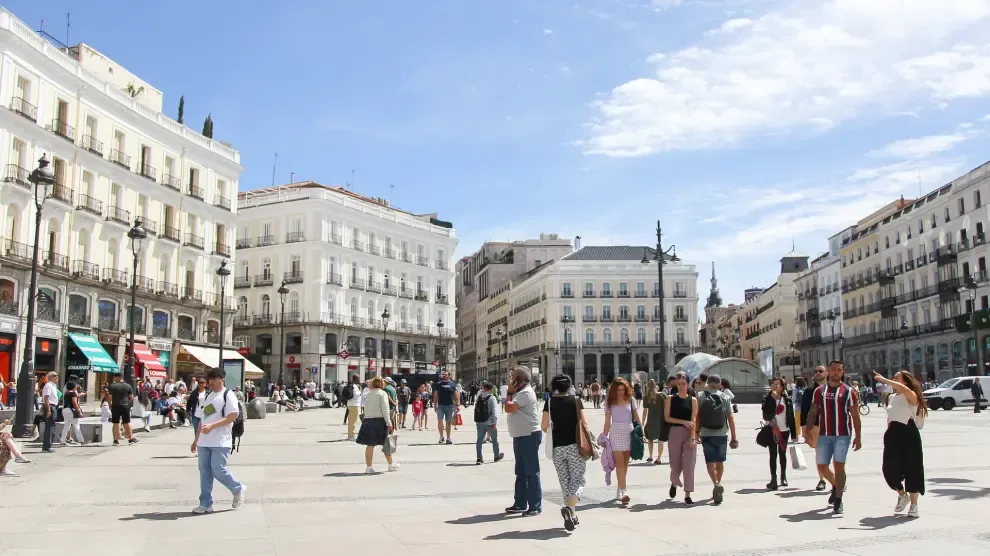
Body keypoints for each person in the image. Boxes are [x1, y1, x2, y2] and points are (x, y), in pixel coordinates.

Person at [805, 360, 862, 515]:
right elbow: (813, 411)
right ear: (829, 371)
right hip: (824, 433)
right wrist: (808, 429)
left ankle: (839, 499)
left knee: (839, 465)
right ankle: (836, 485)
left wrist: (858, 436)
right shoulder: (820, 391)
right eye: (834, 369)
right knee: (822, 466)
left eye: (839, 370)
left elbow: (855, 415)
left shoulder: (849, 392)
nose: (836, 372)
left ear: (843, 372)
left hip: (843, 434)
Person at [191, 367, 247, 514]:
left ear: (221, 379)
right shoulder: (208, 396)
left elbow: (232, 416)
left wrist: (213, 426)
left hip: (220, 441)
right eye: (209, 380)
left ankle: (237, 488)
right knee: (205, 473)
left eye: (213, 380)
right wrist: (196, 440)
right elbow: (202, 420)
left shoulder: (228, 395)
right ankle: (205, 503)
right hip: (204, 441)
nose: (210, 383)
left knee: (218, 469)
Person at [874, 370, 926, 518]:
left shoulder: (911, 395)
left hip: (908, 432)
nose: (893, 379)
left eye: (897, 378)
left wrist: (884, 380)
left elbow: (904, 390)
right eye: (893, 378)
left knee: (912, 469)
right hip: (893, 433)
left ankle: (914, 505)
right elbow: (890, 417)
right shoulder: (891, 397)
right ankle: (902, 495)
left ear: (905, 381)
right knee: (888, 468)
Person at [542, 374, 587, 531]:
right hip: (575, 446)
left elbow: (543, 426)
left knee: (565, 482)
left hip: (557, 448)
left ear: (554, 387)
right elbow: (583, 422)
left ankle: (572, 515)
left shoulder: (549, 402)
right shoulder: (575, 401)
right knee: (579, 480)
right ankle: (570, 507)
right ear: (569, 386)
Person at [503, 366, 542, 516]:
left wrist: (508, 393)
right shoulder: (519, 392)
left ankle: (535, 505)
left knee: (531, 471)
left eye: (512, 376)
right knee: (521, 471)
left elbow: (509, 408)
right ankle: (520, 503)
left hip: (529, 435)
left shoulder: (525, 392)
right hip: (520, 435)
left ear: (519, 379)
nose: (510, 379)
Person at [603, 377, 642, 504]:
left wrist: (641, 431)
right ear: (614, 390)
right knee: (619, 463)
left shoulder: (631, 400)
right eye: (618, 390)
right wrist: (604, 436)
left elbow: (636, 416)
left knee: (625, 464)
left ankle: (620, 488)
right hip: (616, 432)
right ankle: (623, 491)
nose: (620, 392)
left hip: (629, 432)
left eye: (622, 389)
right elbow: (607, 422)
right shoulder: (609, 402)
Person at [699, 374, 737, 505]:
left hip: (706, 433)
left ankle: (715, 484)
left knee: (710, 462)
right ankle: (718, 483)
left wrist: (696, 432)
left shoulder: (701, 396)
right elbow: (730, 418)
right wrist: (734, 437)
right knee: (720, 462)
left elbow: (697, 416)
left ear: (708, 383)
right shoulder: (725, 397)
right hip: (722, 433)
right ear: (720, 383)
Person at [665, 372, 698, 504]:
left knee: (689, 463)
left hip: (689, 433)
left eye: (683, 384)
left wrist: (693, 437)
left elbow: (693, 419)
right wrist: (682, 422)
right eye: (679, 384)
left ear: (688, 384)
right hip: (675, 432)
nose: (681, 386)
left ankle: (687, 494)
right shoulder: (670, 399)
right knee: (675, 463)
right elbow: (667, 418)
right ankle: (674, 482)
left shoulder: (693, 400)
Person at [357, 376, 400, 473]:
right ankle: (390, 464)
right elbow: (385, 410)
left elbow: (365, 407)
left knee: (370, 445)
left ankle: (369, 467)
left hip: (368, 420)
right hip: (380, 421)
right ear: (381, 384)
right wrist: (389, 423)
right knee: (386, 443)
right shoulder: (382, 393)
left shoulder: (368, 394)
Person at [762, 377, 796, 490]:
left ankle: (783, 477)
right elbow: (765, 414)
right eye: (774, 384)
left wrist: (794, 434)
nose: (776, 386)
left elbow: (791, 417)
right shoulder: (767, 399)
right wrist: (772, 398)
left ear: (782, 387)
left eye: (778, 384)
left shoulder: (787, 400)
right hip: (772, 430)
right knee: (773, 454)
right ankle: (773, 479)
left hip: (784, 430)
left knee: (782, 454)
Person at [801, 366, 828, 491]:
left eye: (820, 371)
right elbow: (804, 409)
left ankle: (838, 478)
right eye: (816, 371)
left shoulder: (834, 388)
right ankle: (822, 480)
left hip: (832, 425)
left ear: (826, 373)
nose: (817, 373)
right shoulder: (809, 390)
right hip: (816, 425)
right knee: (819, 453)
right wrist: (804, 427)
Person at [474, 382, 504, 464]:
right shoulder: (492, 398)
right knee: (494, 439)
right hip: (489, 422)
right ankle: (496, 456)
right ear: (491, 389)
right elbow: (494, 411)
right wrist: (494, 422)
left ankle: (479, 458)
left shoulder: (479, 396)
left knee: (479, 440)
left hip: (479, 422)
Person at [108, 374, 139, 446]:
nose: (114, 379)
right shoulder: (128, 386)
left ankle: (115, 440)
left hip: (115, 406)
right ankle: (130, 439)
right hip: (125, 406)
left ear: (117, 377)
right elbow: (131, 397)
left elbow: (109, 396)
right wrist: (126, 402)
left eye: (114, 377)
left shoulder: (112, 386)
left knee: (116, 422)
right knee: (126, 422)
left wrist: (110, 404)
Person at [641, 379, 667, 465]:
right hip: (661, 420)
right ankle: (659, 458)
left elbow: (645, 411)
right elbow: (667, 407)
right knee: (660, 439)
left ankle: (651, 456)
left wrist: (642, 422)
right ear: (656, 385)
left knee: (650, 439)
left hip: (651, 420)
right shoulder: (662, 395)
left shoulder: (646, 397)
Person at [433, 371, 460, 445]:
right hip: (440, 405)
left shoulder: (452, 384)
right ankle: (441, 436)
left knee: (448, 422)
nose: (444, 375)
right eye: (443, 374)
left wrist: (457, 405)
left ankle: (448, 437)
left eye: (445, 374)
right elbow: (436, 394)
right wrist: (435, 404)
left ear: (449, 376)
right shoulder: (438, 384)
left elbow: (455, 394)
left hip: (450, 406)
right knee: (440, 421)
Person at [59, 380, 84, 446]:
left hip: (65, 410)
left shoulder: (66, 393)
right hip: (71, 411)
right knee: (76, 425)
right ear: (73, 386)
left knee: (66, 425)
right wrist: (79, 410)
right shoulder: (73, 393)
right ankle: (81, 440)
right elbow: (74, 402)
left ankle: (62, 440)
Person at [40, 372, 59, 452]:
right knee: (50, 427)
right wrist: (48, 410)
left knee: (51, 426)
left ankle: (47, 446)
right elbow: (46, 398)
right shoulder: (48, 385)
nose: (57, 377)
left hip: (53, 406)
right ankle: (47, 446)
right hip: (50, 406)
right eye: (55, 376)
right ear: (50, 377)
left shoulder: (53, 386)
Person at [345, 375, 361, 441]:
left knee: (351, 421)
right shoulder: (355, 386)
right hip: (354, 405)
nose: (359, 380)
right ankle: (351, 435)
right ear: (355, 379)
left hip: (350, 404)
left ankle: (350, 434)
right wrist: (360, 392)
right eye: (358, 378)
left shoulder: (352, 385)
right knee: (353, 421)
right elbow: (355, 395)